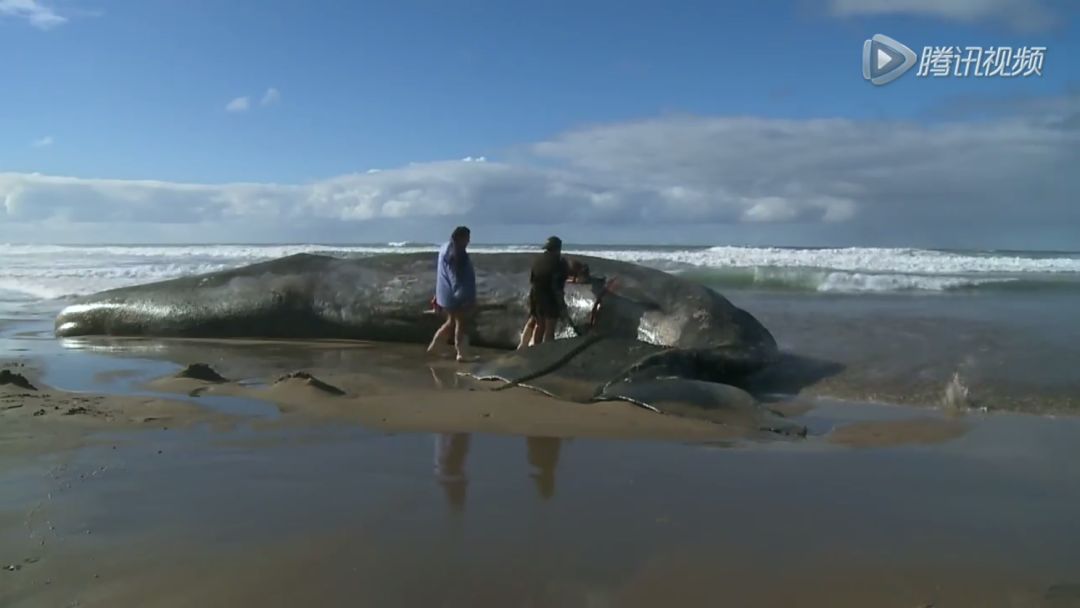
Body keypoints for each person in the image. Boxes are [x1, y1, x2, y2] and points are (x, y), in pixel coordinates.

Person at [428, 226, 476, 362]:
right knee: (461, 322)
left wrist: (437, 295)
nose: (468, 241)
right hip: (455, 295)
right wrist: (463, 296)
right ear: (460, 238)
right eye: (467, 238)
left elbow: (442, 274)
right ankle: (461, 353)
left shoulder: (445, 248)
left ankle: (435, 347)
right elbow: (454, 276)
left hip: (446, 293)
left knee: (452, 322)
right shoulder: (455, 253)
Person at [518, 236, 574, 349]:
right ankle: (546, 352)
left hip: (535, 295)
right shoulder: (560, 262)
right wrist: (561, 305)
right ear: (558, 248)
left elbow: (533, 279)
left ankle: (529, 349)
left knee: (539, 325)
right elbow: (558, 285)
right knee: (550, 327)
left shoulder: (537, 260)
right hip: (550, 297)